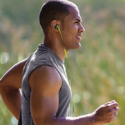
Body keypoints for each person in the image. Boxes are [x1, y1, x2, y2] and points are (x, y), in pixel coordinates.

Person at [0, 0, 119, 125]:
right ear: (55, 25)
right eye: (76, 22)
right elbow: (45, 123)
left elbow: (5, 86)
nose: (82, 29)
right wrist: (94, 119)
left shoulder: (38, 59)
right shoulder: (46, 70)